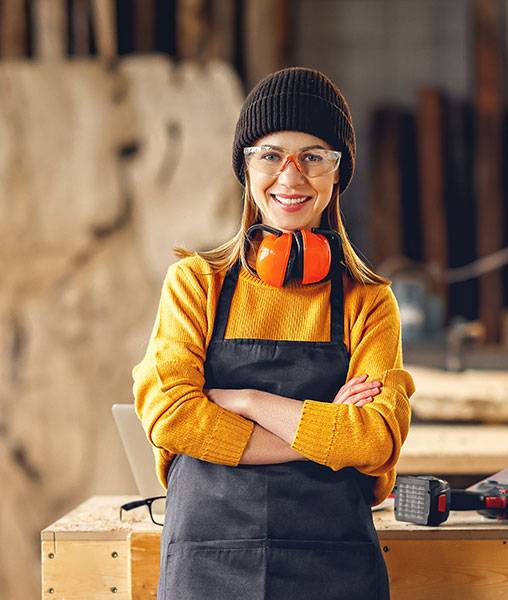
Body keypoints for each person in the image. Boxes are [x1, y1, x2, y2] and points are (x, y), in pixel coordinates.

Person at [131, 67, 413, 599]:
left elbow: (374, 439)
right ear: (246, 168)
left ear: (338, 172)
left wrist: (246, 400)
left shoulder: (368, 301)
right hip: (208, 567)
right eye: (270, 155)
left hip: (334, 569)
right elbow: (172, 418)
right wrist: (325, 434)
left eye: (313, 157)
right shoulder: (196, 284)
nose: (291, 177)